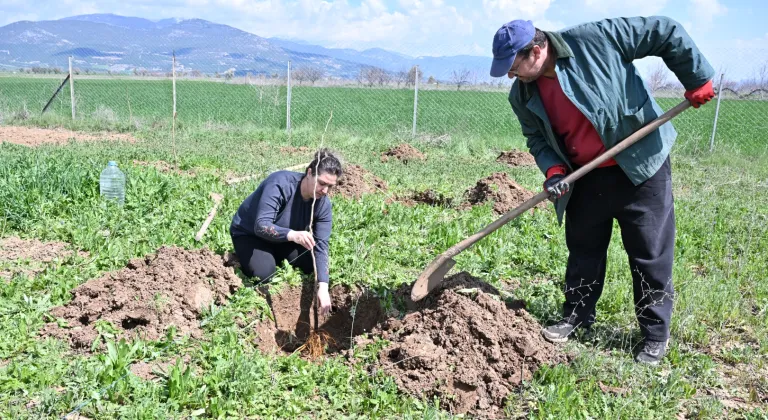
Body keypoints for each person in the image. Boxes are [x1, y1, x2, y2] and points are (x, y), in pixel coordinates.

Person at [489, 17, 715, 364]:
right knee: (584, 249)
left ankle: (655, 334)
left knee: (648, 253)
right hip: (584, 175)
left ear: (536, 50)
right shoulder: (522, 95)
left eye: (513, 66)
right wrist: (553, 169)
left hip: (640, 163)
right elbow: (535, 138)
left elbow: (664, 31)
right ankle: (577, 316)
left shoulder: (595, 39)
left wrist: (696, 77)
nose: (510, 75)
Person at [230, 149, 342, 316]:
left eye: (330, 186)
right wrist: (294, 235)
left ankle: (274, 254)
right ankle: (246, 257)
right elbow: (261, 225)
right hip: (251, 235)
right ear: (309, 173)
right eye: (322, 183)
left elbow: (321, 245)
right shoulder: (280, 184)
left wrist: (323, 286)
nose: (324, 191)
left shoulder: (322, 204)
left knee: (310, 264)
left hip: (284, 239)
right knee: (265, 273)